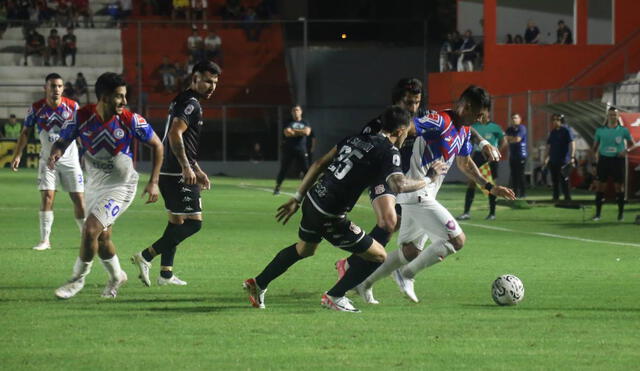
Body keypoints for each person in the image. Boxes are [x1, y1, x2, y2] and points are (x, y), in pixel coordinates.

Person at [243, 106, 427, 312]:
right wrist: (428, 179)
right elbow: (398, 184)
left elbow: (320, 163)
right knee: (379, 256)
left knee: (304, 249)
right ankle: (335, 296)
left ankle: (258, 283)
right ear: (401, 130)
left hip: (312, 200)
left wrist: (297, 197)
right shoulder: (389, 150)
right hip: (329, 214)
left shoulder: (353, 139)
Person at [354, 86, 516, 305]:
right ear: (466, 106)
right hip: (417, 192)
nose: (480, 119)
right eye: (478, 114)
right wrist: (390, 151)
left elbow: (465, 163)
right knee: (456, 240)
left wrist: (489, 186)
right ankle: (406, 274)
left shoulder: (464, 130)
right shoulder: (440, 121)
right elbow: (408, 127)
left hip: (426, 193)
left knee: (411, 251)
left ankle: (364, 283)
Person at [51, 72, 164, 299]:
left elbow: (158, 145)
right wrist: (56, 151)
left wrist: (153, 182)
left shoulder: (131, 120)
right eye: (118, 96)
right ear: (103, 96)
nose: (124, 101)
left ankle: (76, 280)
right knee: (102, 238)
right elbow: (64, 139)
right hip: (94, 184)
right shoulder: (81, 117)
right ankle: (117, 276)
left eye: (124, 96)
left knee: (90, 230)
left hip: (121, 187)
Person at [131, 61, 221, 287]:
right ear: (195, 78)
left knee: (177, 221)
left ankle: (166, 274)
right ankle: (145, 256)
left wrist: (196, 168)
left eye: (215, 83)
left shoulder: (184, 100)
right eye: (208, 81)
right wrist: (186, 167)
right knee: (194, 224)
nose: (212, 86)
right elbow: (174, 134)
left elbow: (184, 141)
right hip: (175, 172)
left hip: (170, 170)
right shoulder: (191, 104)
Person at [10, 73, 85, 251]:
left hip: (70, 160)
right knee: (47, 197)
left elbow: (82, 131)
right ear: (46, 88)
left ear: (63, 88)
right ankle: (45, 240)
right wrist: (18, 154)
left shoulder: (73, 106)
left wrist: (87, 154)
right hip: (47, 161)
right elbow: (25, 132)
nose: (56, 89)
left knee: (79, 199)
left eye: (59, 86)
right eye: (52, 86)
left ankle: (85, 237)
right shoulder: (36, 108)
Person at [458, 113, 506, 220]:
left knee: (491, 183)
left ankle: (492, 213)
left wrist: (496, 153)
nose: (481, 114)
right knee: (471, 182)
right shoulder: (474, 127)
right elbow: (467, 141)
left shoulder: (495, 127)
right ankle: (466, 212)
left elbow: (503, 141)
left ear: (488, 113)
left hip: (490, 157)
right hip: (478, 155)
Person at [592, 107, 637, 221]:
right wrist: (594, 161)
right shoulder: (600, 130)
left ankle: (620, 214)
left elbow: (633, 144)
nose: (612, 117)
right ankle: (598, 214)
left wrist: (625, 151)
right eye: (610, 115)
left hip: (617, 160)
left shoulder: (623, 130)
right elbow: (594, 148)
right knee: (601, 186)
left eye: (614, 115)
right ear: (607, 116)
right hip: (604, 160)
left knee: (619, 187)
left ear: (618, 116)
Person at [273, 105, 311, 195]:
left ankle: (308, 189)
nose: (296, 112)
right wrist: (300, 132)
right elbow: (287, 133)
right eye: (294, 111)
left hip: (301, 149)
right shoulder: (288, 122)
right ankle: (277, 187)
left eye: (297, 110)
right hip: (289, 149)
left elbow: (307, 132)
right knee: (284, 169)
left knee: (306, 170)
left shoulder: (305, 122)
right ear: (291, 112)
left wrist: (294, 131)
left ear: (301, 111)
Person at [544, 113, 575, 202]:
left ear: (561, 120)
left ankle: (567, 197)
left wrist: (572, 157)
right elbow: (548, 145)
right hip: (553, 159)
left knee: (564, 179)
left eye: (557, 119)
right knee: (554, 180)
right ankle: (555, 197)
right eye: (553, 119)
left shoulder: (566, 130)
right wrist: (546, 157)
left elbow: (572, 143)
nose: (555, 121)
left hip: (563, 159)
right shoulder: (553, 132)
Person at [505, 113, 527, 198]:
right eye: (513, 118)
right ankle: (515, 194)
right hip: (512, 156)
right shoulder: (509, 129)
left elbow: (517, 139)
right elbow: (505, 139)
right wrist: (511, 139)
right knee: (514, 176)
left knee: (520, 175)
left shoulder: (522, 128)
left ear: (519, 119)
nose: (514, 120)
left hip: (521, 155)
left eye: (516, 118)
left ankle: (523, 194)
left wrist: (510, 139)